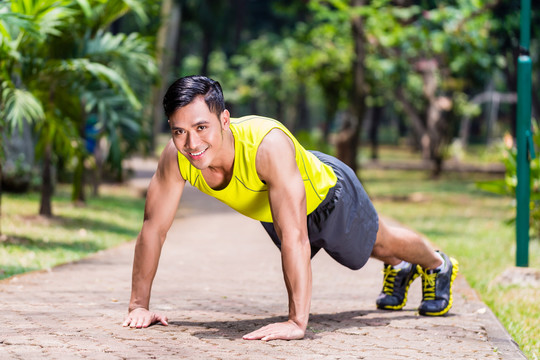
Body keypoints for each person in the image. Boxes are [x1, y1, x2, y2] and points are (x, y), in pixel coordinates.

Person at [122, 75, 459, 341]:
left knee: (380, 243)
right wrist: (139, 306)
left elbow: (296, 236)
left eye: (201, 127)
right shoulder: (176, 158)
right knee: (370, 248)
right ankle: (400, 268)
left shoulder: (266, 146)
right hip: (280, 205)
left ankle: (436, 264)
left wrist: (297, 322)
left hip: (329, 198)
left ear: (224, 119)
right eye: (179, 131)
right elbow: (153, 229)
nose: (192, 144)